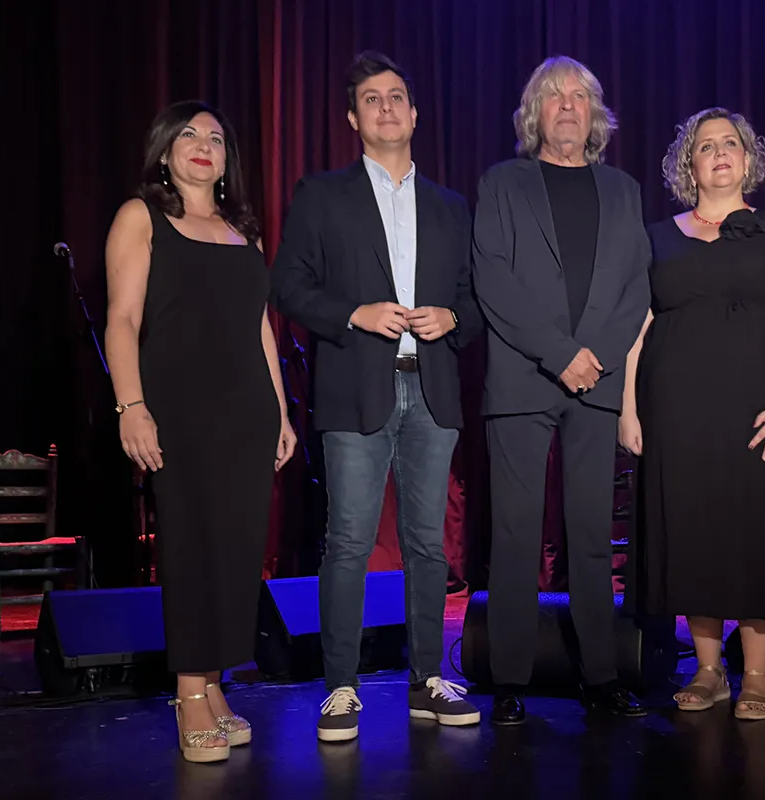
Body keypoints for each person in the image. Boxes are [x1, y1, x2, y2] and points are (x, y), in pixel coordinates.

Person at [270, 51, 484, 743]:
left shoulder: (451, 206)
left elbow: (476, 299)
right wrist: (354, 314)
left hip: (433, 387)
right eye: (371, 99)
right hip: (355, 386)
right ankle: (341, 687)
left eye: (396, 97)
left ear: (415, 114)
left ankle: (428, 679)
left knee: (428, 544)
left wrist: (453, 318)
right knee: (349, 543)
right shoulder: (321, 195)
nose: (386, 108)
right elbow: (288, 286)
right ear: (352, 118)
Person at [103, 100, 297, 762]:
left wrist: (280, 411)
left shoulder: (243, 229)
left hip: (247, 413)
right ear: (165, 150)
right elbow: (122, 319)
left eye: (216, 137)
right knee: (191, 548)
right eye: (189, 133)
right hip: (179, 409)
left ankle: (215, 683)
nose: (203, 144)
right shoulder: (141, 217)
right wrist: (131, 406)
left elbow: (260, 327)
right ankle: (189, 692)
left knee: (238, 553)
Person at [620, 107, 765, 721]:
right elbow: (635, 328)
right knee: (693, 532)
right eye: (705, 145)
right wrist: (627, 410)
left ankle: (757, 673)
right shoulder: (655, 238)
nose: (719, 153)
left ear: (747, 158)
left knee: (762, 529)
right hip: (678, 410)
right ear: (688, 164)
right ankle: (709, 669)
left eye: (729, 143)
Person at [472, 55, 651, 725]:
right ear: (535, 114)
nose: (569, 106)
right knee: (516, 533)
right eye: (554, 96)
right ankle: (510, 679)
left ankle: (601, 676)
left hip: (597, 381)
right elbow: (492, 279)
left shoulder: (624, 190)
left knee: (592, 535)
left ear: (596, 114)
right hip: (523, 378)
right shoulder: (502, 183)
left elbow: (637, 287)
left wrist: (594, 359)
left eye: (580, 96)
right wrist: (559, 355)